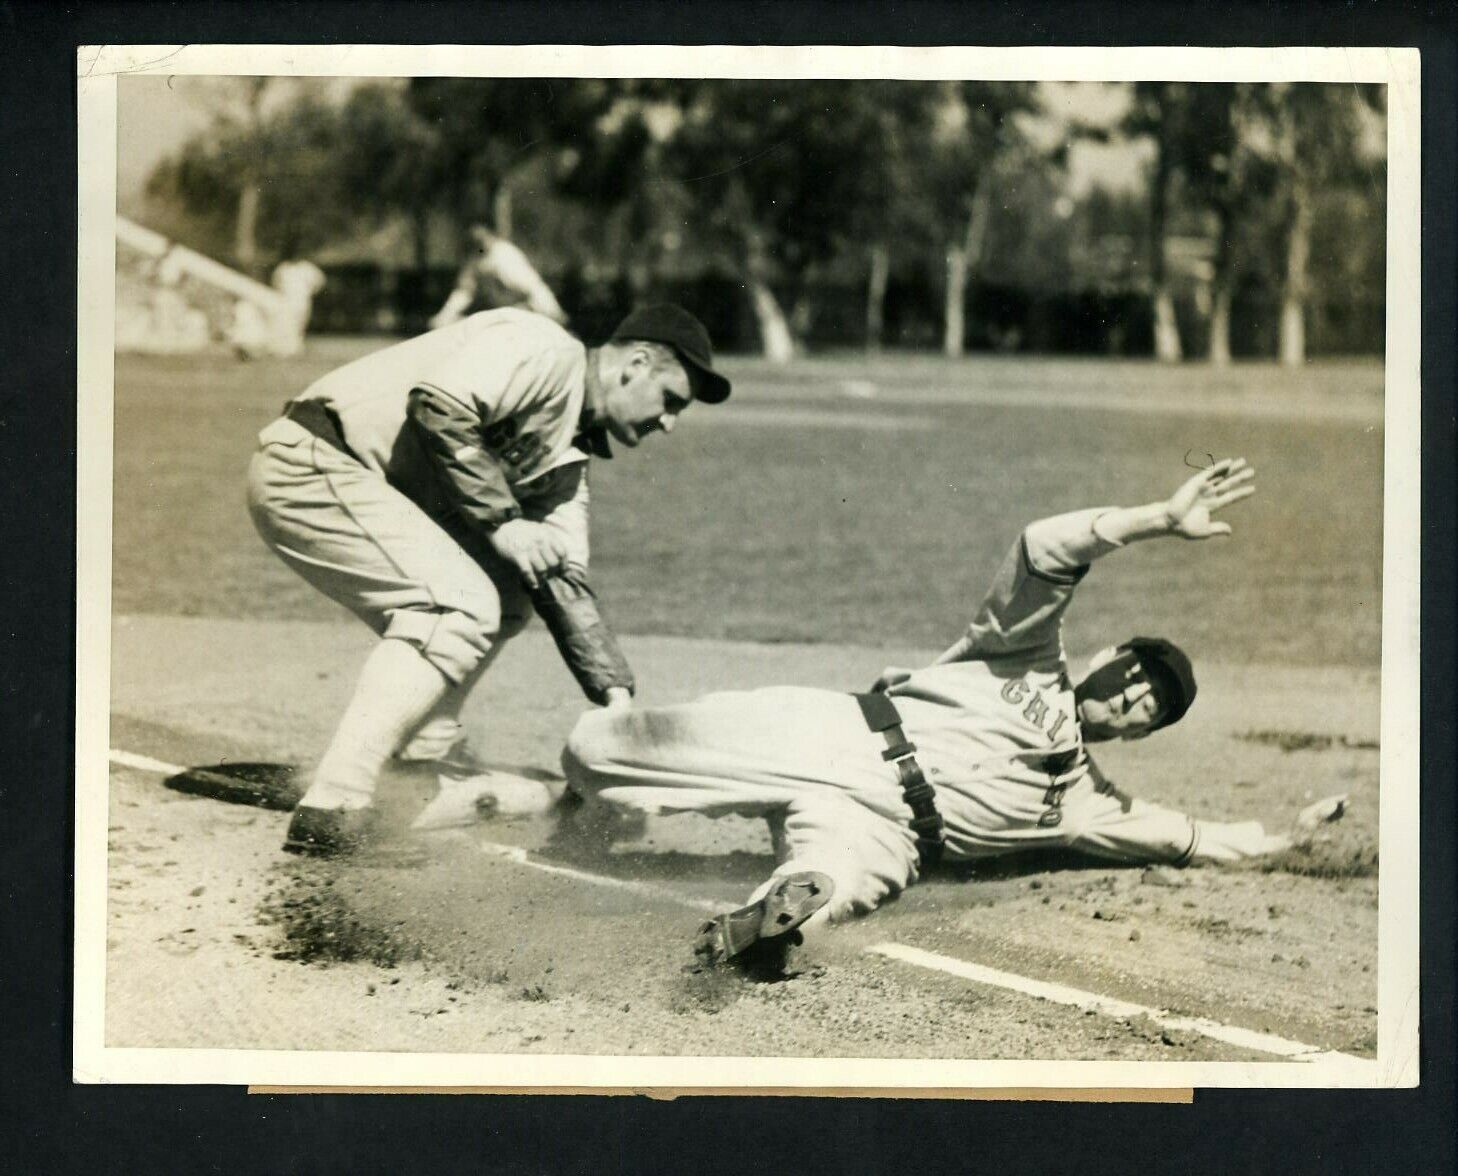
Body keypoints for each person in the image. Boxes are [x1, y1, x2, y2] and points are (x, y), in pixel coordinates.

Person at [562, 459, 1349, 969]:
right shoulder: (1027, 655)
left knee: (833, 894)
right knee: (596, 750)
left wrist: (1288, 838)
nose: (1137, 697)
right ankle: (558, 795)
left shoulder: (1091, 804)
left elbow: (1200, 840)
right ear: (1107, 654)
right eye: (1137, 674)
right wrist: (1156, 521)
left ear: (1142, 733)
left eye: (1153, 708)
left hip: (892, 836)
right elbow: (1045, 548)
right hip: (839, 736)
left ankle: (767, 920)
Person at [247, 303, 731, 856]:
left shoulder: (566, 459)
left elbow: (562, 581)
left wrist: (616, 703)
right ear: (636, 363)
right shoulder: (544, 348)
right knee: (458, 604)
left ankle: (419, 760)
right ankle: (335, 804)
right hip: (311, 463)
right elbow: (439, 407)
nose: (668, 422)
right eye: (671, 401)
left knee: (509, 591)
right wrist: (505, 523)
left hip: (355, 484)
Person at [429, 225, 567, 330]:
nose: (477, 236)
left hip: (525, 313)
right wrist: (444, 316)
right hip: (499, 315)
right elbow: (464, 291)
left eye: (481, 233)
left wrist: (554, 313)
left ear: (489, 233)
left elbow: (533, 287)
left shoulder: (504, 255)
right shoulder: (475, 257)